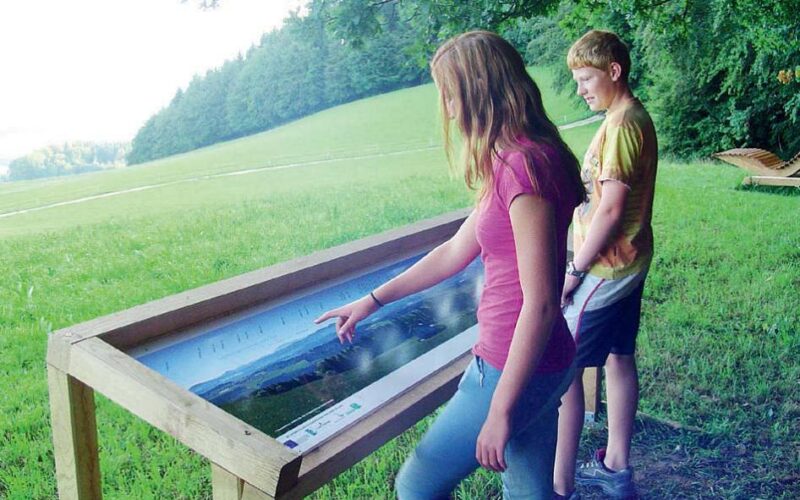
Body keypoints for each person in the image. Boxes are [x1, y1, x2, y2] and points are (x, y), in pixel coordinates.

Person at [315, 31, 585, 499]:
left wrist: (500, 410)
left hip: (512, 366)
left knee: (417, 486)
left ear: (477, 90)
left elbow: (540, 303)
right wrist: (372, 300)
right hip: (545, 361)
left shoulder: (522, 167)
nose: (449, 110)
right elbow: (454, 251)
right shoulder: (518, 157)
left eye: (449, 94)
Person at [552, 30, 658, 500]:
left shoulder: (620, 125)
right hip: (629, 262)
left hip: (606, 269)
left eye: (587, 78)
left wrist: (574, 272)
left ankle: (558, 486)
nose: (580, 89)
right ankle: (616, 467)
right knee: (619, 357)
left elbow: (611, 209)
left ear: (614, 71)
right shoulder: (626, 116)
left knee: (560, 370)